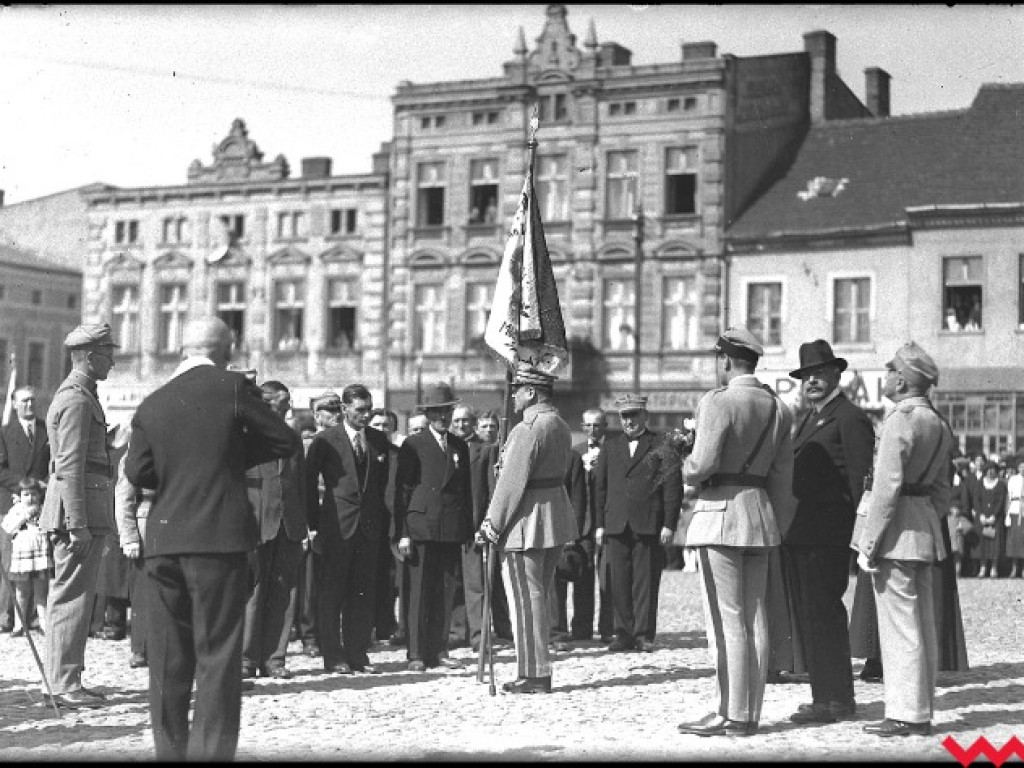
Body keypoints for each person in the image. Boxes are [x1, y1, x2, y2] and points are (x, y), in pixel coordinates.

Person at [124, 316, 299, 761]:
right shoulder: (234, 388)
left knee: (167, 660)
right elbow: (284, 440)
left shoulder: (153, 402)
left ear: (183, 348)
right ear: (227, 349)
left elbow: (138, 471)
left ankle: (170, 753)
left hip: (164, 540)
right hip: (218, 539)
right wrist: (229, 457)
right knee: (217, 658)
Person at [676, 327, 795, 738]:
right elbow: (783, 477)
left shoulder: (718, 401)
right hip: (760, 516)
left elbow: (702, 464)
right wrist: (774, 522)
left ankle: (730, 712)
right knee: (755, 617)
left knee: (725, 620)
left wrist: (685, 464)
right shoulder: (779, 408)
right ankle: (750, 712)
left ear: (726, 360)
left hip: (720, 515)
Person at [852, 341, 953, 739]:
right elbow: (942, 491)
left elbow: (886, 488)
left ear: (903, 379)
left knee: (900, 630)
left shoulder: (900, 420)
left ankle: (905, 713)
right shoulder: (938, 423)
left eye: (892, 369)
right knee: (922, 625)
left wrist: (869, 543)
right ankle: (920, 709)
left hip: (895, 534)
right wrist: (924, 517)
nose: (887, 375)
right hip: (923, 530)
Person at [783, 340, 874, 725]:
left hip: (829, 535)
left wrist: (859, 537)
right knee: (812, 615)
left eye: (819, 374)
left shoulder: (849, 418)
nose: (811, 381)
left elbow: (861, 483)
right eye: (806, 376)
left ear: (837, 374)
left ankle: (836, 699)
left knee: (825, 614)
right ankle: (825, 695)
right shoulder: (810, 418)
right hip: (805, 533)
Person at [477, 362, 578, 694]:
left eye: (517, 390)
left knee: (525, 599)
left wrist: (491, 525)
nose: (513, 396)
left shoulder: (527, 429)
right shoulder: (559, 424)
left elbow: (510, 485)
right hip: (553, 516)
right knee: (538, 597)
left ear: (531, 392)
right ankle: (536, 669)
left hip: (526, 522)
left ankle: (533, 673)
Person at [38, 322, 120, 710]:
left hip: (79, 511)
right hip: (77, 515)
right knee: (71, 599)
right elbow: (69, 466)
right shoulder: (77, 400)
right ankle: (63, 683)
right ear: (88, 357)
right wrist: (77, 524)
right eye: (107, 354)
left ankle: (62, 679)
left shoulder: (81, 396)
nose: (112, 362)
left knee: (71, 598)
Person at [305, 383, 391, 675]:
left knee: (362, 593)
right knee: (332, 594)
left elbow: (382, 485)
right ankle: (333, 656)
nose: (366, 416)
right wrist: (313, 526)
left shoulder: (378, 440)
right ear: (344, 409)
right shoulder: (326, 440)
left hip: (368, 529)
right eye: (360, 410)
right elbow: (308, 484)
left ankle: (357, 654)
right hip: (336, 528)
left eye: (369, 410)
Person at [394, 383, 473, 672]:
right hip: (421, 528)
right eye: (437, 412)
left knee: (445, 591)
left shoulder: (459, 446)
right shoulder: (413, 445)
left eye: (447, 411)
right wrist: (402, 532)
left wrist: (467, 529)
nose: (443, 417)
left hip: (450, 528)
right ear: (427, 414)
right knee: (418, 592)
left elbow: (465, 492)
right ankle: (416, 653)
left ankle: (439, 650)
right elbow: (402, 491)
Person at [594, 394, 682, 653]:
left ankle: (644, 634)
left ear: (645, 416)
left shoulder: (662, 444)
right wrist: (600, 524)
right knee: (619, 581)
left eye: (634, 415)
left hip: (648, 523)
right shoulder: (611, 446)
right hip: (616, 523)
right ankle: (623, 633)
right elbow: (600, 489)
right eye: (624, 416)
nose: (629, 421)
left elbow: (672, 487)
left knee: (646, 581)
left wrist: (669, 524)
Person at [242, 381, 309, 680]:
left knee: (284, 593)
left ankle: (275, 658)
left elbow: (301, 483)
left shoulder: (292, 438)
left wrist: (304, 524)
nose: (285, 410)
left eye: (286, 405)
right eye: (280, 405)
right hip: (256, 523)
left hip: (289, 524)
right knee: (253, 592)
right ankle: (245, 658)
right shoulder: (245, 437)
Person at [0, 385, 51, 633]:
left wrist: (46, 485)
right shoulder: (4, 432)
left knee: (39, 563)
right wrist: (25, 485)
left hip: (41, 507)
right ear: (14, 404)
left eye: (32, 400)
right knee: (10, 562)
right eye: (24, 401)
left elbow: (54, 463)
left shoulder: (46, 430)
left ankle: (34, 617)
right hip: (12, 505)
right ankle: (7, 616)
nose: (29, 405)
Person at [114, 439, 154, 669]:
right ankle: (141, 647)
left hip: (177, 523)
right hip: (146, 524)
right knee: (143, 590)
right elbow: (124, 497)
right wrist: (129, 536)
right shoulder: (134, 453)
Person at [579, 409, 614, 642]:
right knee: (583, 576)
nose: (593, 430)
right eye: (588, 425)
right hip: (583, 523)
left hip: (607, 522)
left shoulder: (613, 451)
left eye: (597, 425)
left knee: (607, 577)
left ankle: (608, 628)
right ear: (583, 427)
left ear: (605, 427)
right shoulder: (575, 452)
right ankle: (581, 627)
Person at [1, 476, 51, 636]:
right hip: (23, 553)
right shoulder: (17, 510)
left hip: (40, 554)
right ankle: (19, 624)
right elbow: (8, 527)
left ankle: (43, 623)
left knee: (41, 591)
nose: (30, 498)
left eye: (34, 494)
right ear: (19, 496)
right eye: (26, 495)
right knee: (22, 591)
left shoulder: (43, 509)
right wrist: (24, 515)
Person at [368, 408, 402, 645]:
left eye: (386, 425)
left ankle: (387, 625)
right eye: (377, 425)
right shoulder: (364, 451)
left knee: (390, 578)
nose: (381, 429)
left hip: (391, 523)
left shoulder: (398, 455)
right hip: (369, 522)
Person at [971, 461, 1007, 578]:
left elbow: (1000, 501)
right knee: (982, 543)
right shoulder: (980, 484)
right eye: (988, 470)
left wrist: (994, 516)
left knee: (995, 544)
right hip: (982, 517)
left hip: (996, 518)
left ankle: (994, 568)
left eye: (993, 470)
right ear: (985, 471)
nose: (990, 472)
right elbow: (976, 500)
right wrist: (980, 514)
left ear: (996, 471)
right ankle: (983, 567)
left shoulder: (1000, 484)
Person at [1005, 460, 1024, 577]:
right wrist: (1007, 514)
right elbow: (1009, 496)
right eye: (1021, 467)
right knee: (1014, 540)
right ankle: (1014, 567)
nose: (1023, 469)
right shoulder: (1013, 479)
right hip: (1015, 509)